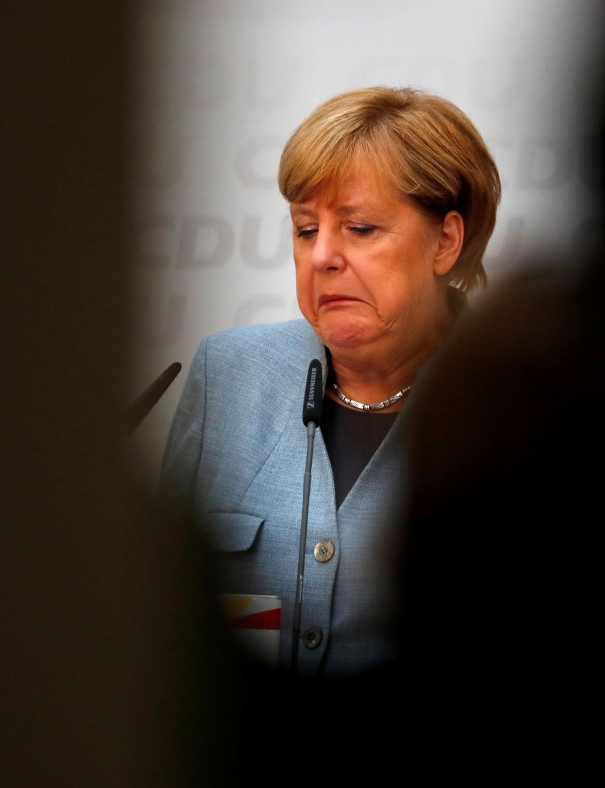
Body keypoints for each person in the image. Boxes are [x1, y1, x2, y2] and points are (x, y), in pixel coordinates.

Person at [157, 86, 501, 681]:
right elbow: (154, 612)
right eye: (305, 229)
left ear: (446, 241)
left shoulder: (509, 400)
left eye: (360, 227)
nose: (322, 257)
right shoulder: (227, 375)